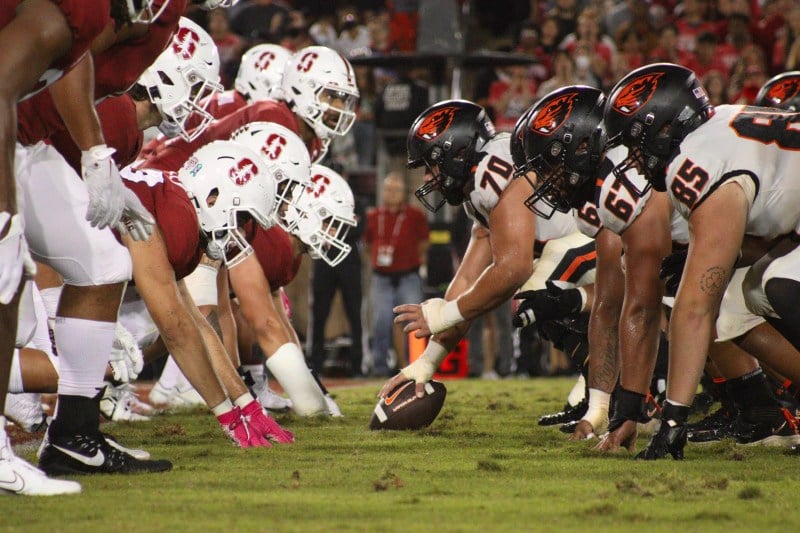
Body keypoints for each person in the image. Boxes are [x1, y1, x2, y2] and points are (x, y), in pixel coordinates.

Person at [0, 0, 166, 495]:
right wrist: (5, 208)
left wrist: (98, 156)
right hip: (10, 144)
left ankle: (72, 434)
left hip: (26, 144)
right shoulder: (61, 12)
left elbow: (71, 62)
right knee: (8, 302)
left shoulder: (82, 18)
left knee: (102, 262)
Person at [603, 62, 800, 459]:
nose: (635, 160)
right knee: (735, 303)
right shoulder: (721, 125)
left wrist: (673, 421)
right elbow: (775, 229)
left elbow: (694, 309)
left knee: (777, 282)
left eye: (636, 143)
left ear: (662, 130)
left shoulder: (695, 163)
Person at [379, 99, 579, 401]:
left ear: (457, 153)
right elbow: (465, 282)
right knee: (544, 294)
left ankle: (621, 397)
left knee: (539, 294)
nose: (427, 177)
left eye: (431, 164)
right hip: (577, 257)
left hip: (598, 248)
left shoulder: (493, 172)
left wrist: (443, 314)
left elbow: (514, 269)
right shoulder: (476, 190)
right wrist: (427, 361)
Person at [365, 173, 429, 377]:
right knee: (380, 321)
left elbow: (424, 244)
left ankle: (416, 365)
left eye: (396, 190)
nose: (391, 193)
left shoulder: (415, 215)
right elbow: (367, 245)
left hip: (408, 276)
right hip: (381, 277)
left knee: (412, 323)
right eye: (388, 189)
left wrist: (413, 261)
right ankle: (380, 367)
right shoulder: (373, 216)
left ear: (403, 194)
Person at [308, 168, 367, 378]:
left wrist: (333, 231)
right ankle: (315, 364)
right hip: (324, 260)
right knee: (319, 314)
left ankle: (358, 365)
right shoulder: (317, 199)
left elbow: (359, 229)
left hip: (349, 261)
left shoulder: (355, 201)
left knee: (354, 313)